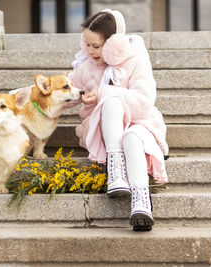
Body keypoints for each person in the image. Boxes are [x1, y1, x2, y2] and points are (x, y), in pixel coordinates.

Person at [68, 9, 169, 232]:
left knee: (132, 138)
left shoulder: (136, 60)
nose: (91, 51)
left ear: (114, 43)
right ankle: (116, 172)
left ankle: (141, 203)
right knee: (110, 104)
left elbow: (144, 102)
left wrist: (105, 92)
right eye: (87, 45)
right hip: (105, 132)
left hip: (139, 122)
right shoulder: (86, 67)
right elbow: (64, 91)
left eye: (97, 46)